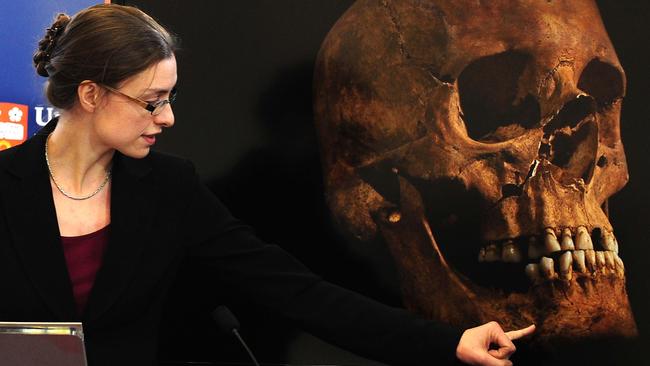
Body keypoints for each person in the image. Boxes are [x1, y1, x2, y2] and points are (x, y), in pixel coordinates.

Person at [0, 4, 533, 366]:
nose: (167, 118)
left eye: (170, 98)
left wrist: (449, 342)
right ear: (91, 95)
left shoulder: (168, 187)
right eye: (151, 101)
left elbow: (297, 291)